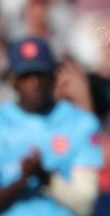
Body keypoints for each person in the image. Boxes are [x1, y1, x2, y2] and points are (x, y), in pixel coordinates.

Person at [0, 37, 103, 216]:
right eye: (26, 76)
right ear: (13, 80)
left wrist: (46, 178)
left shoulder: (80, 123)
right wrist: (21, 181)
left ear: (55, 75)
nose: (35, 83)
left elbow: (86, 203)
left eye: (41, 75)